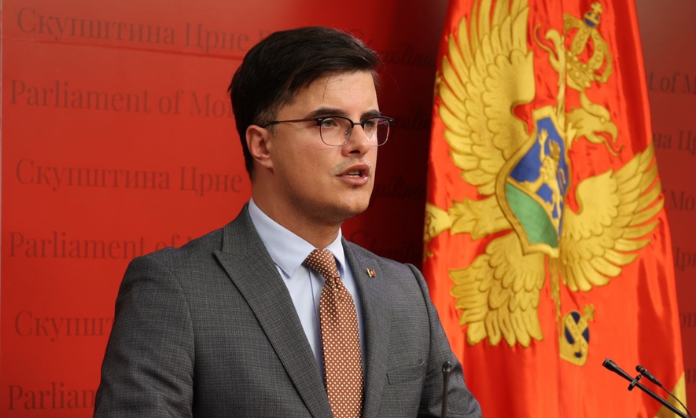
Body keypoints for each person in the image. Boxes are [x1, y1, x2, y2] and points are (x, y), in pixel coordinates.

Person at [94, 26, 482, 418]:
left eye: (368, 122)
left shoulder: (407, 292)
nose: (361, 143)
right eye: (329, 122)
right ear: (262, 145)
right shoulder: (174, 289)